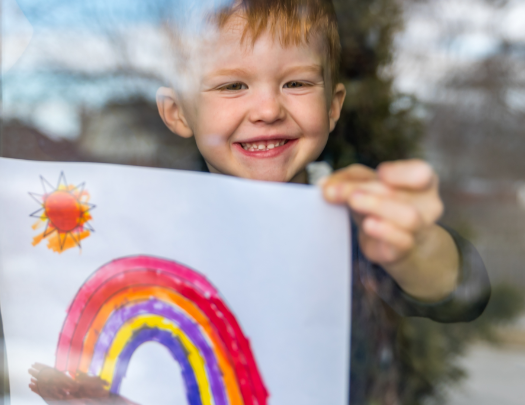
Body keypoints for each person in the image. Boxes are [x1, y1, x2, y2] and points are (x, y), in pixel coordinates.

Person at [26, 0, 490, 403]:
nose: (268, 109)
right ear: (177, 113)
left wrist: (415, 248)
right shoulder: (154, 230)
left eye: (297, 84)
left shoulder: (351, 219)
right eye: (232, 86)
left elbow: (460, 293)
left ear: (333, 106)